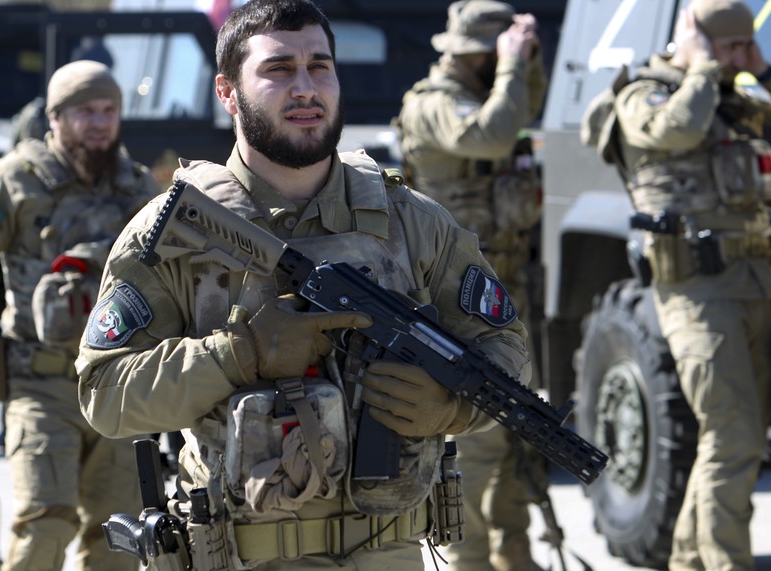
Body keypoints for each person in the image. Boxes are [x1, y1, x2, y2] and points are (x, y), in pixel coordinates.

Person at [75, 0, 532, 569]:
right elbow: (104, 393)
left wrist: (452, 408)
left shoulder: (413, 221)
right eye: (278, 70)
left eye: (320, 66)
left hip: (390, 550)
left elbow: (507, 346)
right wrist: (237, 355)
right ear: (226, 92)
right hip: (243, 554)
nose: (305, 88)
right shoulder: (173, 232)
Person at [0, 59, 160, 570]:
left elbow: (176, 275)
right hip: (39, 386)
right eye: (86, 111)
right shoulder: (14, 179)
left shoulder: (138, 188)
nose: (100, 122)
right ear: (55, 118)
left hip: (119, 388)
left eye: (109, 110)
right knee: (45, 526)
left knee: (117, 542)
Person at [584, 0, 771, 569]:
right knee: (732, 433)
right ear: (698, 40)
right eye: (730, 46)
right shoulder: (647, 92)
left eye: (747, 45)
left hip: (755, 282)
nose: (743, 57)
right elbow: (675, 130)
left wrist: (745, 73)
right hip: (698, 291)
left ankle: (691, 559)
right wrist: (700, 68)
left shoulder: (739, 101)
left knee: (739, 435)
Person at [396, 2, 547, 569]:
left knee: (521, 427)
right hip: (459, 298)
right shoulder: (435, 103)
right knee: (479, 437)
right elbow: (491, 136)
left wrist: (524, 64)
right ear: (480, 55)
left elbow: (526, 107)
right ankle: (471, 560)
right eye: (503, 52)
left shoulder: (485, 92)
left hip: (505, 286)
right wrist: (511, 66)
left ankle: (514, 547)